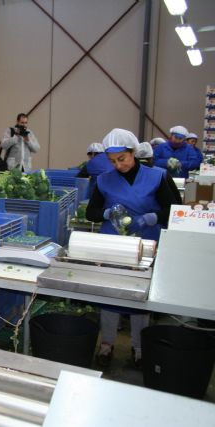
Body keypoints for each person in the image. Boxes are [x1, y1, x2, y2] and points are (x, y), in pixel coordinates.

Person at [86, 128, 178, 368]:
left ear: (134, 153)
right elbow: (91, 212)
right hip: (114, 244)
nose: (118, 165)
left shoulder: (158, 177)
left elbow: (176, 211)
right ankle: (107, 343)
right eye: (112, 161)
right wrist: (105, 213)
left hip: (146, 243)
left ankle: (138, 347)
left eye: (122, 159)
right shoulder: (105, 180)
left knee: (139, 297)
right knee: (110, 294)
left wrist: (153, 217)